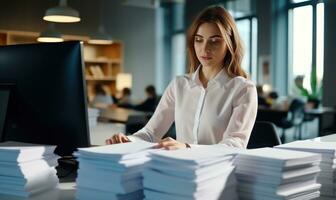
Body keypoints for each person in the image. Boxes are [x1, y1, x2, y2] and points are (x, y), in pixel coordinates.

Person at [106, 6, 257, 150]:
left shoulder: (243, 89)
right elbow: (151, 133)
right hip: (180, 171)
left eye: (215, 40)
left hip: (218, 173)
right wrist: (128, 140)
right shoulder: (179, 85)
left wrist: (187, 148)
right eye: (199, 39)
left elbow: (234, 145)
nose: (205, 48)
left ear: (229, 43)